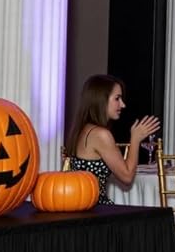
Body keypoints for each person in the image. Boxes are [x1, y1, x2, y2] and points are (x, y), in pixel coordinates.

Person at [65, 75, 159, 204]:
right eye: (117, 98)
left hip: (84, 206)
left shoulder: (83, 129)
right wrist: (135, 139)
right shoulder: (101, 135)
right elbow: (127, 176)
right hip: (96, 208)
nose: (123, 105)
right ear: (101, 100)